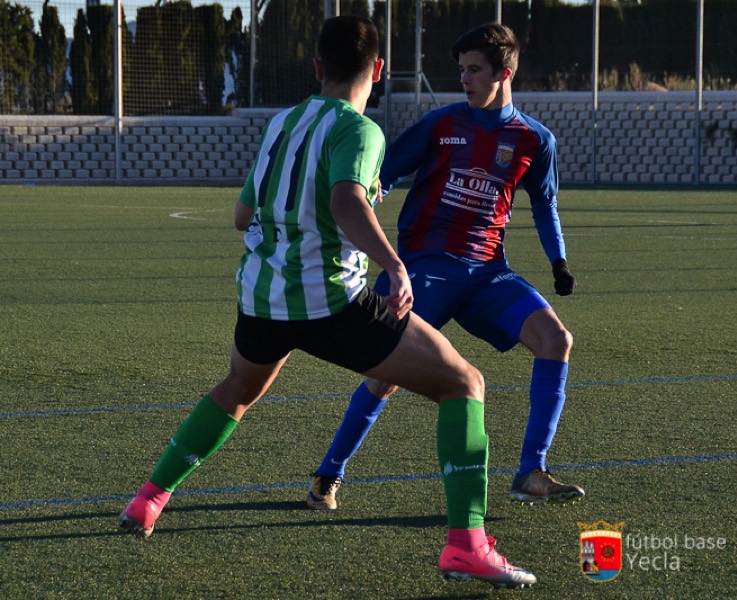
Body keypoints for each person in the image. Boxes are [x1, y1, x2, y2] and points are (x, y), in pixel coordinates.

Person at [118, 16, 536, 589]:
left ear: (318, 69)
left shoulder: (282, 123)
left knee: (237, 391)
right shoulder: (360, 131)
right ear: (379, 71)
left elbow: (242, 216)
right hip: (331, 303)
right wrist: (393, 265)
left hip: (261, 298)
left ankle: (148, 499)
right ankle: (467, 545)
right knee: (463, 384)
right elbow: (347, 203)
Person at [306, 22, 584, 512]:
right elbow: (381, 174)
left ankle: (531, 473)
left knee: (556, 340)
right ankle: (328, 474)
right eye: (462, 70)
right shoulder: (440, 125)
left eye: (475, 69)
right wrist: (369, 208)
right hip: (425, 270)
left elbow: (545, 205)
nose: (465, 79)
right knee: (385, 374)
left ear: (505, 72)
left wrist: (558, 261)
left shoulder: (534, 140)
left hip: (487, 274)